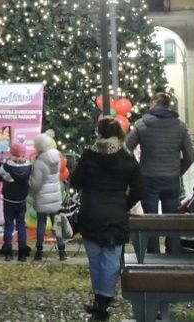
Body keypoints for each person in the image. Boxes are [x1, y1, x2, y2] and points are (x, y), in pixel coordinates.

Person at [71, 117, 144, 320]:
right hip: (115, 214)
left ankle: (99, 298)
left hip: (91, 212)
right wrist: (125, 204)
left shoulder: (89, 154)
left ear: (99, 132)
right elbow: (138, 189)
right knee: (111, 260)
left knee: (95, 260)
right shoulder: (127, 157)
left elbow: (76, 181)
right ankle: (105, 298)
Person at [125, 92, 194, 253]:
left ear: (155, 103)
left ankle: (153, 253)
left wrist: (136, 170)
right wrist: (179, 170)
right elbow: (190, 156)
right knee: (172, 219)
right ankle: (174, 252)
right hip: (171, 178)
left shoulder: (141, 125)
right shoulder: (180, 126)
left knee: (151, 218)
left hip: (148, 177)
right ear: (168, 105)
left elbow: (126, 149)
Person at [29, 132, 68, 261]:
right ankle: (62, 251)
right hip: (55, 196)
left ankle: (39, 251)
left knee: (41, 224)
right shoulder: (56, 158)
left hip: (42, 197)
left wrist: (29, 183)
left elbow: (36, 183)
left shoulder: (39, 162)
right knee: (57, 224)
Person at [0, 141, 33, 262]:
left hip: (8, 200)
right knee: (21, 225)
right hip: (21, 200)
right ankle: (22, 253)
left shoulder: (6, 166)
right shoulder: (29, 166)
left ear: (12, 153)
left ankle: (8, 252)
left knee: (9, 225)